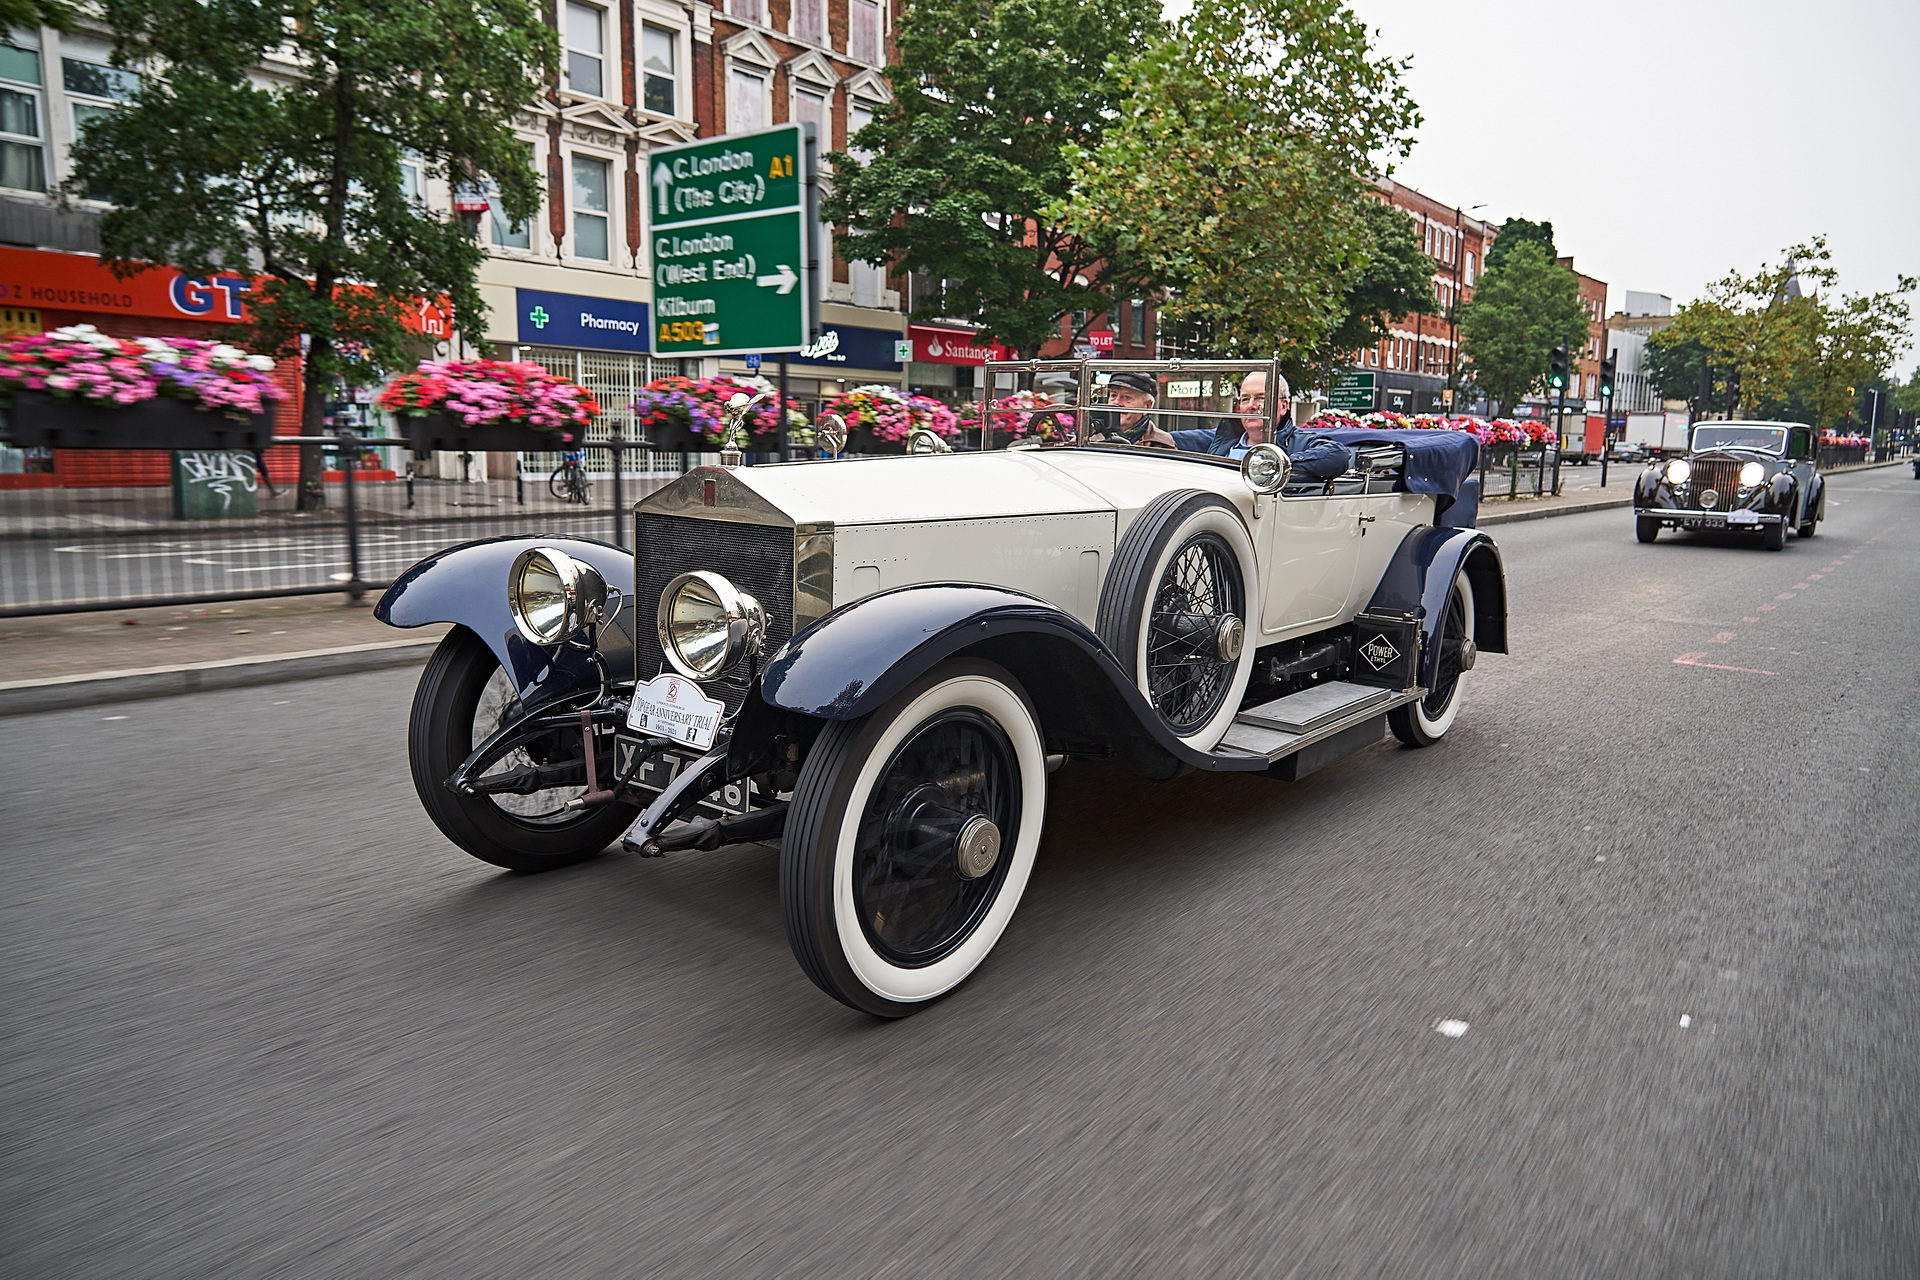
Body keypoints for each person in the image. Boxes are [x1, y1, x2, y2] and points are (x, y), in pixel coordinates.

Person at [1169, 370, 1352, 478]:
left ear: (1283, 406)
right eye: (1245, 399)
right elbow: (1186, 438)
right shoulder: (1225, 440)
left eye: (1261, 398)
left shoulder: (1298, 442)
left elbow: (1338, 455)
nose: (1251, 406)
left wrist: (1276, 465)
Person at [1087, 371, 1177, 448]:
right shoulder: (1089, 437)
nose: (1116, 403)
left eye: (1127, 397)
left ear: (1147, 406)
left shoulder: (1162, 443)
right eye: (1113, 395)